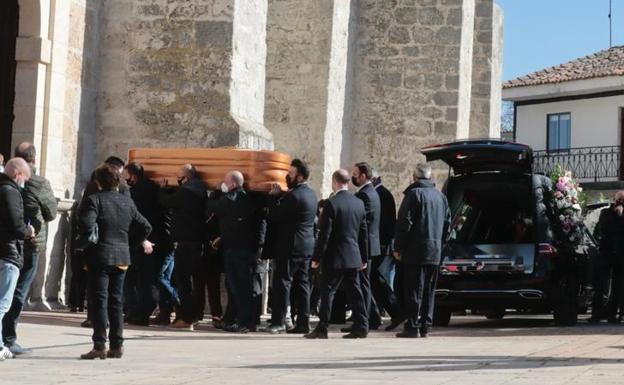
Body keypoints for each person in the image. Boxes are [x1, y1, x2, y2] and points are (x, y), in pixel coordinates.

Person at [78, 164, 153, 360]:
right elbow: (146, 226)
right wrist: (130, 243)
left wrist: (85, 241)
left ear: (98, 182)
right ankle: (117, 345)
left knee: (99, 301)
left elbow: (86, 224)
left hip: (99, 256)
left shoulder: (94, 200)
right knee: (116, 301)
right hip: (121, 256)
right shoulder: (126, 202)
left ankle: (100, 345)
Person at [2, 143, 58, 355]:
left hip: (8, 241)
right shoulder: (40, 182)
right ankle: (8, 338)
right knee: (18, 291)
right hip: (30, 242)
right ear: (34, 160)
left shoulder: (7, 180)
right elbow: (51, 212)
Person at [305, 169, 369, 339]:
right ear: (348, 182)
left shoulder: (331, 204)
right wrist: (364, 257)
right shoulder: (358, 203)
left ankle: (322, 327)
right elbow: (363, 234)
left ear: (334, 182)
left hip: (334, 256)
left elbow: (324, 234)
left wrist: (317, 258)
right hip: (353, 256)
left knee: (328, 292)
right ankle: (362, 325)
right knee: (355, 292)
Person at [394, 163, 450, 338]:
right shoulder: (441, 197)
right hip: (434, 251)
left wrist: (398, 246)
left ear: (414, 177)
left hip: (415, 250)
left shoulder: (413, 194)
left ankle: (412, 326)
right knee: (429, 290)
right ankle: (426, 324)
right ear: (430, 177)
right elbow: (448, 224)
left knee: (414, 288)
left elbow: (405, 223)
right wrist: (442, 244)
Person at [207, 171, 266, 333]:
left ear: (232, 184)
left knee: (238, 287)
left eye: (225, 182)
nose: (223, 184)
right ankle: (241, 320)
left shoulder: (231, 199)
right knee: (241, 287)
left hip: (236, 250)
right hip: (244, 249)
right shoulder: (248, 198)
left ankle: (244, 322)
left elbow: (211, 206)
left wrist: (217, 191)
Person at [266, 159, 318, 334]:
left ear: (300, 176)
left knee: (282, 283)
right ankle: (303, 322)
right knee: (303, 284)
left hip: (290, 246)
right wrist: (283, 195)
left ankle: (279, 321)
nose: (288, 176)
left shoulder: (293, 196)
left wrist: (273, 198)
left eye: (291, 173)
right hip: (306, 245)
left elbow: (275, 216)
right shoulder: (310, 194)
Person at [160, 164, 207, 330]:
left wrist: (163, 189)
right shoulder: (202, 192)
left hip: (185, 243)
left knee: (183, 281)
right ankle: (194, 315)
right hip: (198, 241)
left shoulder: (185, 192)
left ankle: (186, 318)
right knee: (196, 281)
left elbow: (166, 202)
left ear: (186, 178)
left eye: (180, 177)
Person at [123, 162, 168, 326]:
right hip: (157, 237)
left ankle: (141, 313)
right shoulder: (155, 188)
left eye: (127, 176)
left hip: (142, 240)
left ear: (133, 176)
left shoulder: (134, 193)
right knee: (149, 277)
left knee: (142, 278)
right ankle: (142, 311)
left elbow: (134, 218)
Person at [0, 158, 35, 361]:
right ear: (17, 174)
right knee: (3, 303)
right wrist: (27, 231)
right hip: (8, 252)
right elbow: (15, 224)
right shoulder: (10, 191)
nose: (25, 183)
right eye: (25, 178)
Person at [345, 162, 382, 331]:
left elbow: (362, 225)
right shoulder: (372, 192)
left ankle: (363, 320)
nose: (353, 177)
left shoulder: (365, 195)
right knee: (365, 284)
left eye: (355, 174)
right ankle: (371, 317)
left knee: (362, 285)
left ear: (363, 176)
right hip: (370, 245)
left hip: (363, 247)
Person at [371, 172, 403, 331]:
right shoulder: (382, 193)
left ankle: (394, 311)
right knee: (376, 280)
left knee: (378, 280)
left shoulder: (380, 194)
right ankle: (377, 315)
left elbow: (383, 223)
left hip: (380, 245)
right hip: (381, 244)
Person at [590, 191, 624, 323]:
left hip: (614, 254)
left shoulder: (610, 213)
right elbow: (603, 229)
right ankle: (603, 314)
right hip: (611, 253)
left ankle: (606, 315)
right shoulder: (606, 213)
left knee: (613, 285)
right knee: (606, 285)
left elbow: (602, 230)